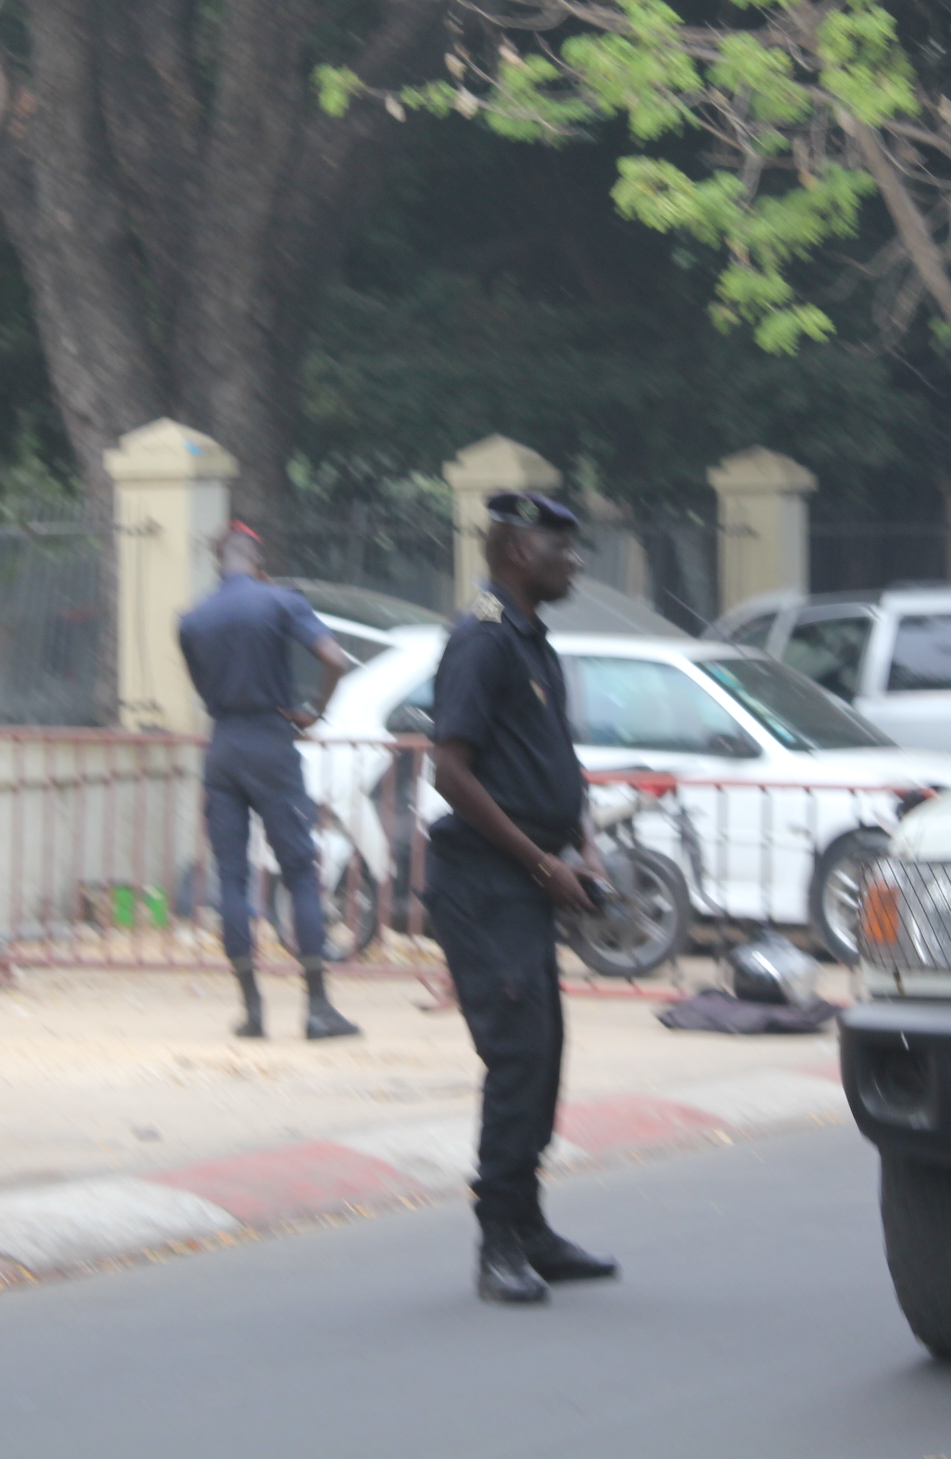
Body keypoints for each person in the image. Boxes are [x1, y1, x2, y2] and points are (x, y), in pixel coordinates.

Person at [425, 490, 620, 1305]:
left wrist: (583, 845)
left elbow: (552, 761)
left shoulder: (533, 642)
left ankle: (530, 1225)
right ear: (514, 551)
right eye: (559, 548)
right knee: (516, 1058)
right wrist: (544, 866)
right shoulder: (482, 641)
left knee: (543, 1057)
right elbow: (452, 771)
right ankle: (497, 1240)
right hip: (485, 882)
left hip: (528, 880)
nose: (573, 562)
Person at [177, 524, 361, 1041]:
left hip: (224, 748)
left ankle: (252, 1011)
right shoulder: (281, 601)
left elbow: (201, 688)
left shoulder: (191, 619)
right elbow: (334, 659)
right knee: (300, 872)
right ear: (259, 561)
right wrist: (315, 714)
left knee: (232, 878)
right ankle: (317, 1009)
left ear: (219, 564)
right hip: (272, 744)